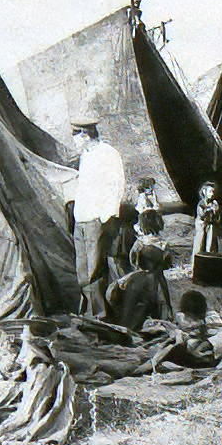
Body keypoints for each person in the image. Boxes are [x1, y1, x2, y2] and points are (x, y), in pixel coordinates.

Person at [70, 117, 126, 318]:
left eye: (75, 135)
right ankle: (86, 311)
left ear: (85, 135)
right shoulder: (85, 156)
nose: (74, 140)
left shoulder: (108, 154)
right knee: (82, 269)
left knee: (95, 269)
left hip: (96, 219)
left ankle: (99, 315)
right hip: (82, 218)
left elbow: (116, 184)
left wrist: (106, 216)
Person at [190, 180, 221, 274]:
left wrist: (214, 212)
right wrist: (208, 210)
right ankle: (196, 265)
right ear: (204, 192)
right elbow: (201, 214)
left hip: (210, 225)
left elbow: (217, 215)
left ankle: (211, 265)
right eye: (210, 192)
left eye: (213, 192)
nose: (212, 194)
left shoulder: (214, 203)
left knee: (211, 243)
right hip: (201, 226)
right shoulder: (201, 203)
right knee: (199, 243)